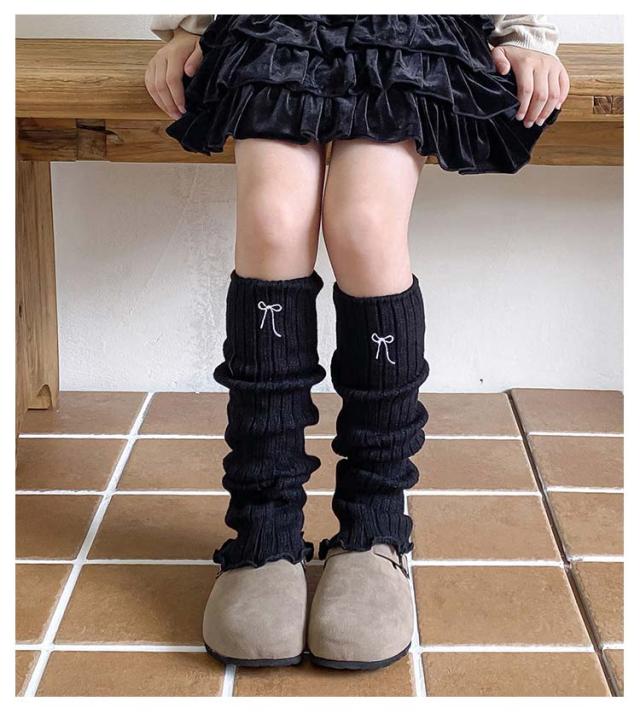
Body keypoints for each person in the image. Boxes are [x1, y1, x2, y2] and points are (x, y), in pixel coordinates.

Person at [146, 14, 569, 670]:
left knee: (366, 224)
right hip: (278, 29)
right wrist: (185, 27)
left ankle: (375, 528)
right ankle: (263, 532)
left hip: (405, 33)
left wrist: (524, 35)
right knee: (272, 217)